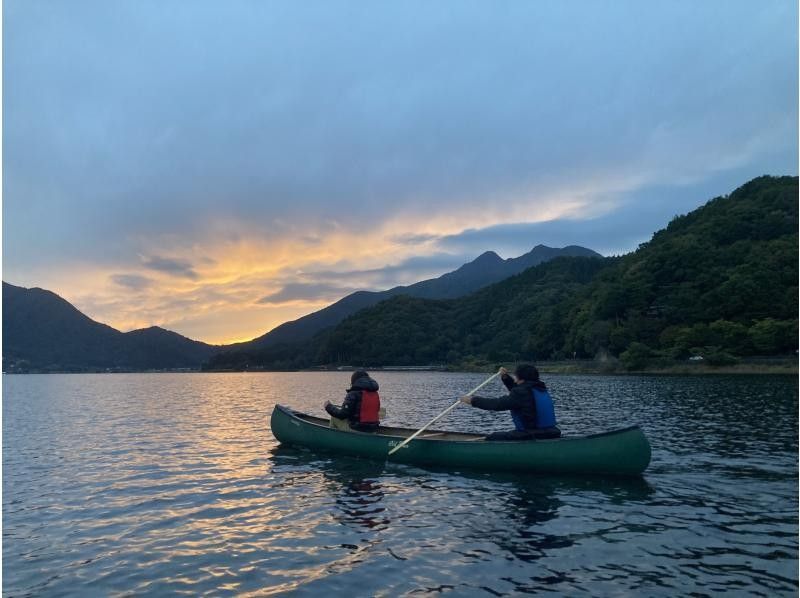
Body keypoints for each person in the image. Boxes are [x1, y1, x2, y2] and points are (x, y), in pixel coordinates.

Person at [460, 365, 561, 441]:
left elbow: (497, 404)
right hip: (552, 432)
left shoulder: (522, 392)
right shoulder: (539, 388)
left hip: (532, 435)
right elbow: (519, 393)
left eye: (516, 375)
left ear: (521, 377)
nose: (515, 377)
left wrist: (473, 400)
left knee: (493, 437)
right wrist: (505, 377)